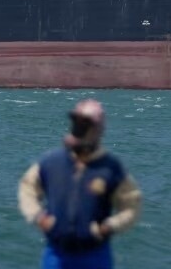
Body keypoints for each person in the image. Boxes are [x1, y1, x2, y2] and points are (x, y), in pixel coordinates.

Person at [18, 99, 142, 269]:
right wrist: (39, 217)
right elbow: (27, 188)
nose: (79, 128)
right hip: (56, 254)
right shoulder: (51, 162)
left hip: (95, 255)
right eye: (76, 123)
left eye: (85, 124)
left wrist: (108, 226)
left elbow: (131, 204)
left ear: (98, 129)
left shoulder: (111, 168)